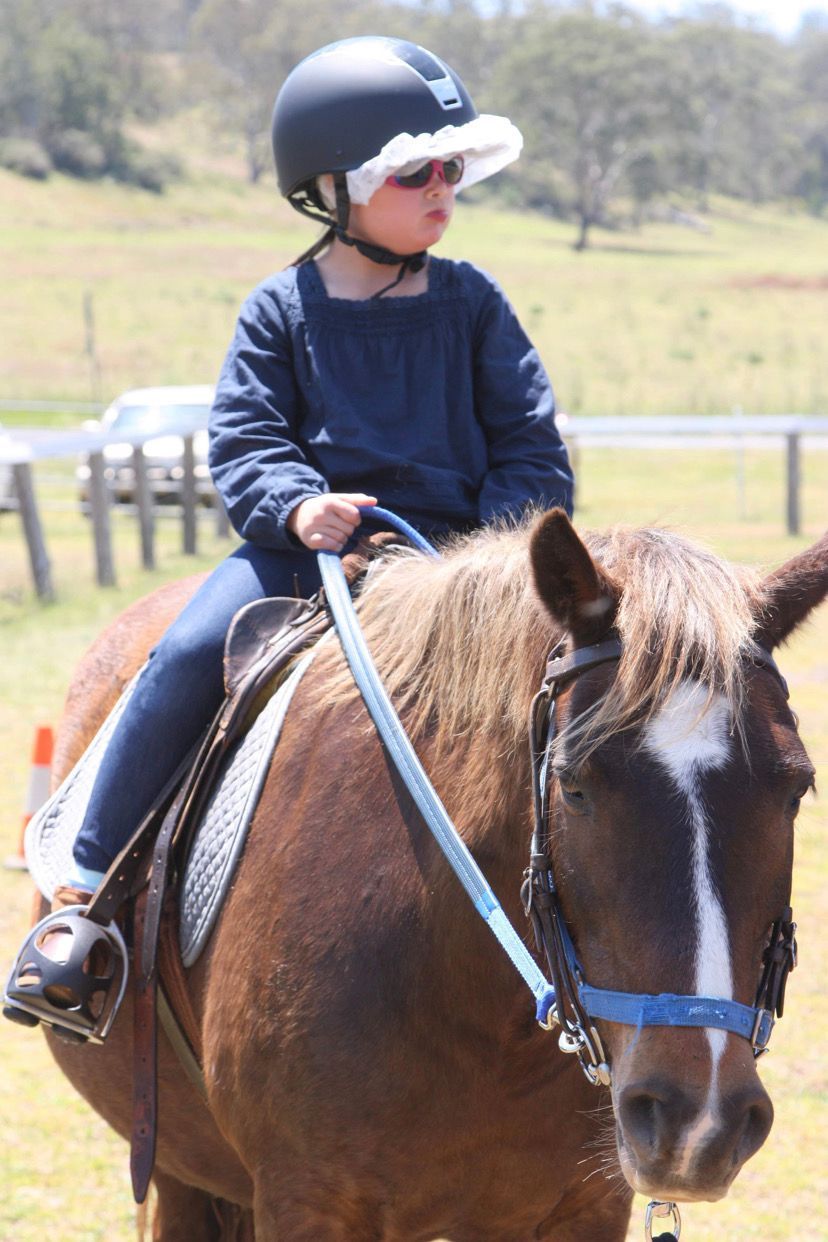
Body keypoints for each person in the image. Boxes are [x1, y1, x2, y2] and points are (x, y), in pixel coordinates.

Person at [5, 35, 573, 1031]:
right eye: (416, 172)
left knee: (591, 689)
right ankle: (82, 901)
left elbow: (531, 448)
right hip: (301, 554)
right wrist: (298, 502)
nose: (444, 190)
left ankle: (580, 920)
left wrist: (490, 554)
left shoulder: (475, 305)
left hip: (459, 568)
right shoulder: (280, 310)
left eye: (454, 169)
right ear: (336, 185)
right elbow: (246, 441)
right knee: (183, 653)